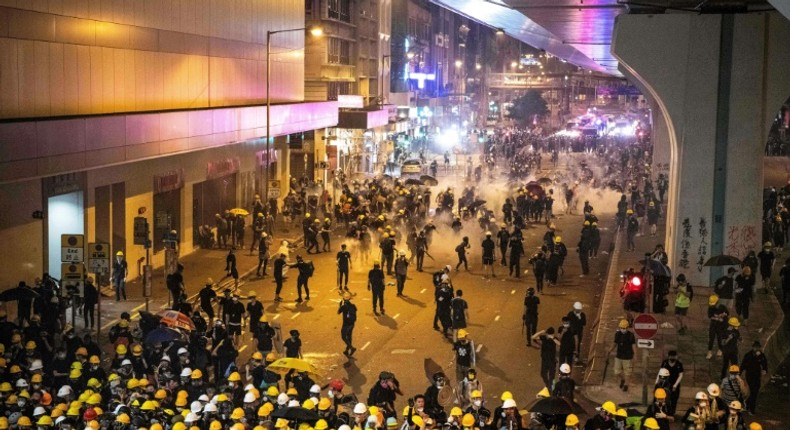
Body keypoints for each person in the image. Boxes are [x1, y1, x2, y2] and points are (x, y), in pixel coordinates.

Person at [740, 340, 768, 414]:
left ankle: (748, 404)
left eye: (758, 348)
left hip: (757, 376)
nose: (757, 349)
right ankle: (751, 408)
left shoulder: (761, 355)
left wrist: (765, 370)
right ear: (753, 348)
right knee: (752, 391)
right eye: (755, 347)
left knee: (755, 392)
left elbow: (764, 363)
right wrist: (739, 373)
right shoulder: (748, 355)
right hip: (749, 376)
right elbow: (743, 365)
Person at [610, 319, 636, 392]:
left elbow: (633, 346)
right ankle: (623, 379)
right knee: (617, 371)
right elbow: (615, 344)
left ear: (627, 328)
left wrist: (635, 355)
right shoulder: (617, 334)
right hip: (619, 356)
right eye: (621, 328)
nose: (623, 329)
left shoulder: (631, 335)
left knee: (627, 372)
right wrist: (609, 350)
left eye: (624, 328)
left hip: (628, 357)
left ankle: (626, 385)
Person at [658, 350, 684, 415]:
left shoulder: (679, 364)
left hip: (675, 385)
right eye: (671, 356)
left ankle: (672, 413)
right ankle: (664, 412)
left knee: (674, 400)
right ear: (668, 356)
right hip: (666, 384)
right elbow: (660, 372)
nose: (672, 358)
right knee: (664, 399)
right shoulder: (665, 363)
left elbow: (681, 375)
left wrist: (675, 385)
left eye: (674, 356)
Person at [338, 292, 357, 357]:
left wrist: (341, 304)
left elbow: (338, 312)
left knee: (343, 336)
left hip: (346, 324)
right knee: (349, 336)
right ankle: (347, 350)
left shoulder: (344, 306)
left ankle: (351, 348)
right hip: (352, 323)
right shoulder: (353, 305)